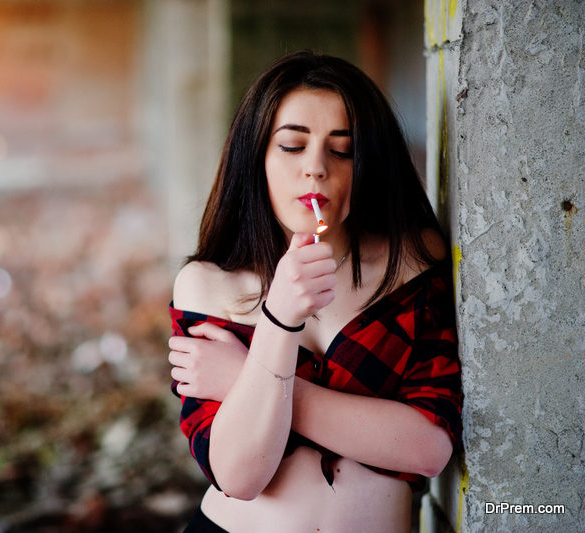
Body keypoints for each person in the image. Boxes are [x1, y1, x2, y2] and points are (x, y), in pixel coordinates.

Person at [167, 51, 463, 532]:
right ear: (257, 156)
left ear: (365, 164)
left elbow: (428, 450)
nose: (316, 168)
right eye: (292, 146)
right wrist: (279, 318)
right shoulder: (207, 286)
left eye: (341, 149)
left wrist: (250, 379)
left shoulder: (410, 263)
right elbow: (239, 476)